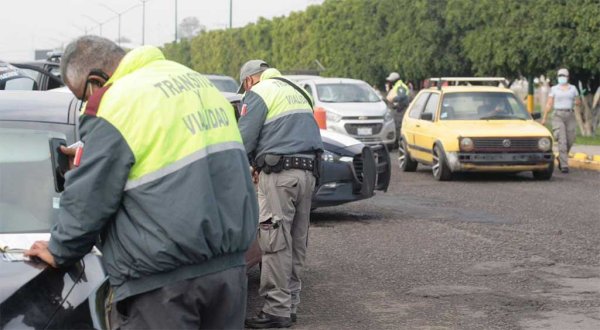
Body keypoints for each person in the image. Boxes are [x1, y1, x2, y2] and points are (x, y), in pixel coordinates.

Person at [24, 35, 258, 329]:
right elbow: (169, 149)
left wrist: (60, 249)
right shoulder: (193, 82)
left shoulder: (116, 101)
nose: (88, 104)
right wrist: (94, 151)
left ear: (96, 80)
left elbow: (89, 197)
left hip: (165, 286)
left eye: (83, 96)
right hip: (229, 274)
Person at [237, 60, 323, 328]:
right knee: (297, 241)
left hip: (278, 177)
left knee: (273, 241)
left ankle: (276, 310)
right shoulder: (299, 91)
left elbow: (244, 138)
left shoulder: (259, 93)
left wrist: (248, 165)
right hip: (308, 174)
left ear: (250, 80)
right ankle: (291, 305)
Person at [541, 68, 581, 173]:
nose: (561, 78)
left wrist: (577, 101)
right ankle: (564, 165)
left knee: (570, 139)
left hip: (570, 114)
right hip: (558, 115)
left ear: (567, 77)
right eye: (560, 76)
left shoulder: (573, 88)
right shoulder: (554, 89)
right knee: (562, 139)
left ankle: (561, 157)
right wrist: (544, 117)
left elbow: (577, 101)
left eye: (563, 76)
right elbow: (549, 103)